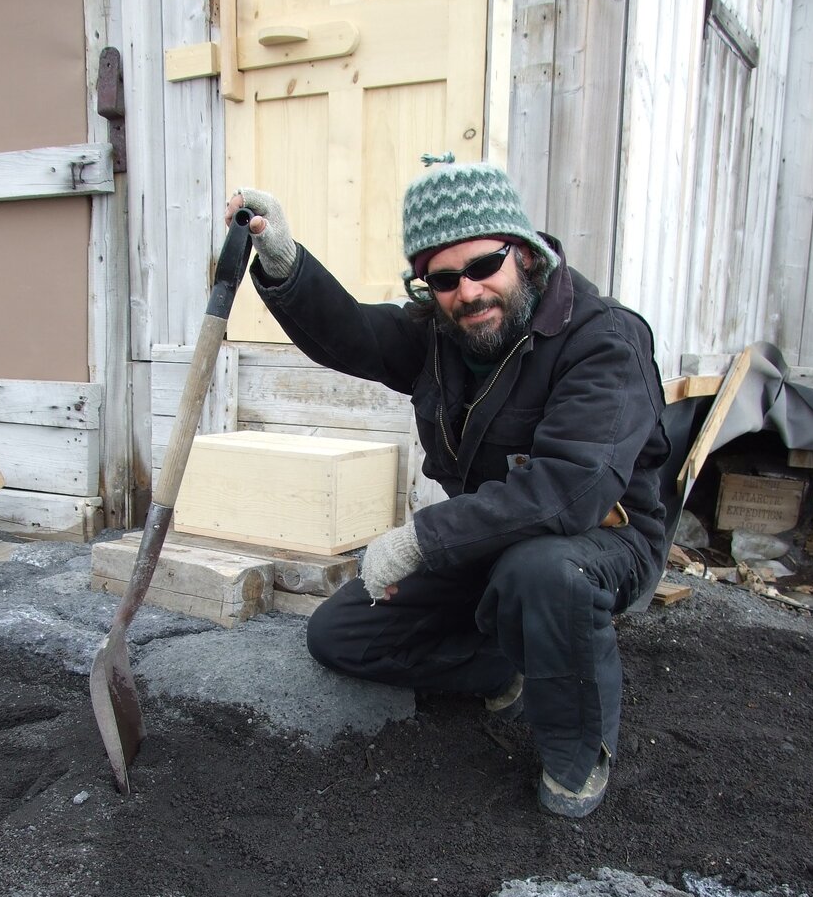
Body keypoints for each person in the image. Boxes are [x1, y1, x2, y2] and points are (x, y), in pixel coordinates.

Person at [225, 158, 669, 817]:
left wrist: (422, 540)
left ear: (525, 254)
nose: (468, 292)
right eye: (444, 278)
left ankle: (576, 753)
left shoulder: (603, 341)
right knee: (342, 635)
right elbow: (354, 334)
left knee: (542, 572)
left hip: (601, 540)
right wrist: (284, 262)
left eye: (484, 265)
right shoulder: (441, 335)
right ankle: (504, 663)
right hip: (490, 537)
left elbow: (573, 488)